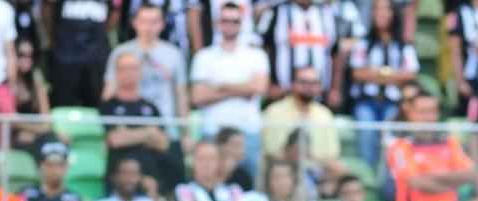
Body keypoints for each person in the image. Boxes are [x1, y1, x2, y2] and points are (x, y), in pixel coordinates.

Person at [104, 3, 189, 178]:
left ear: (162, 24)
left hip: (164, 129)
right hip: (130, 127)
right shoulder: (122, 52)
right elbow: (109, 91)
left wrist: (185, 132)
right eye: (144, 21)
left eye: (154, 22)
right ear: (135, 23)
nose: (148, 27)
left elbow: (181, 95)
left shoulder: (173, 54)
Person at [189, 2, 270, 180]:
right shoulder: (204, 56)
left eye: (235, 21)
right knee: (212, 182)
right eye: (225, 20)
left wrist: (220, 87)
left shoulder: (256, 55)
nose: (230, 25)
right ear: (218, 22)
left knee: (250, 182)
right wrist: (242, 88)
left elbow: (259, 88)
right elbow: (198, 96)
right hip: (213, 130)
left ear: (242, 23)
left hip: (247, 131)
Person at [349, 0, 419, 168]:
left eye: (386, 9)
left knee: (392, 138)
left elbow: (410, 74)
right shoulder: (363, 43)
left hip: (393, 102)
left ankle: (390, 176)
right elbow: (357, 73)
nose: (382, 14)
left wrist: (375, 73)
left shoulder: (403, 46)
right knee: (367, 132)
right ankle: (368, 176)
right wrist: (392, 74)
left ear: (393, 14)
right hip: (367, 101)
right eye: (377, 10)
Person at [99, 52, 173, 192]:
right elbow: (115, 139)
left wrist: (130, 135)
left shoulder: (151, 107)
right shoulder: (108, 106)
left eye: (133, 68)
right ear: (116, 73)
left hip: (151, 176)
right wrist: (149, 133)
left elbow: (163, 143)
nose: (129, 73)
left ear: (140, 72)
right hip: (119, 178)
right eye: (124, 68)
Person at [262, 66, 345, 180]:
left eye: (314, 83)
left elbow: (332, 155)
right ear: (293, 84)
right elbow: (270, 152)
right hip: (283, 169)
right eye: (303, 82)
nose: (309, 87)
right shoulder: (274, 112)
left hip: (318, 171)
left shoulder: (325, 114)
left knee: (342, 171)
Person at [43, 0, 110, 109]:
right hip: (64, 57)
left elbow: (114, 14)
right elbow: (47, 10)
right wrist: (53, 39)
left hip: (96, 59)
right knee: (63, 104)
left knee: (94, 106)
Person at [447, 0, 478, 114]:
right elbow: (455, 50)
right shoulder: (462, 11)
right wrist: (460, 81)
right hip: (471, 78)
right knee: (472, 114)